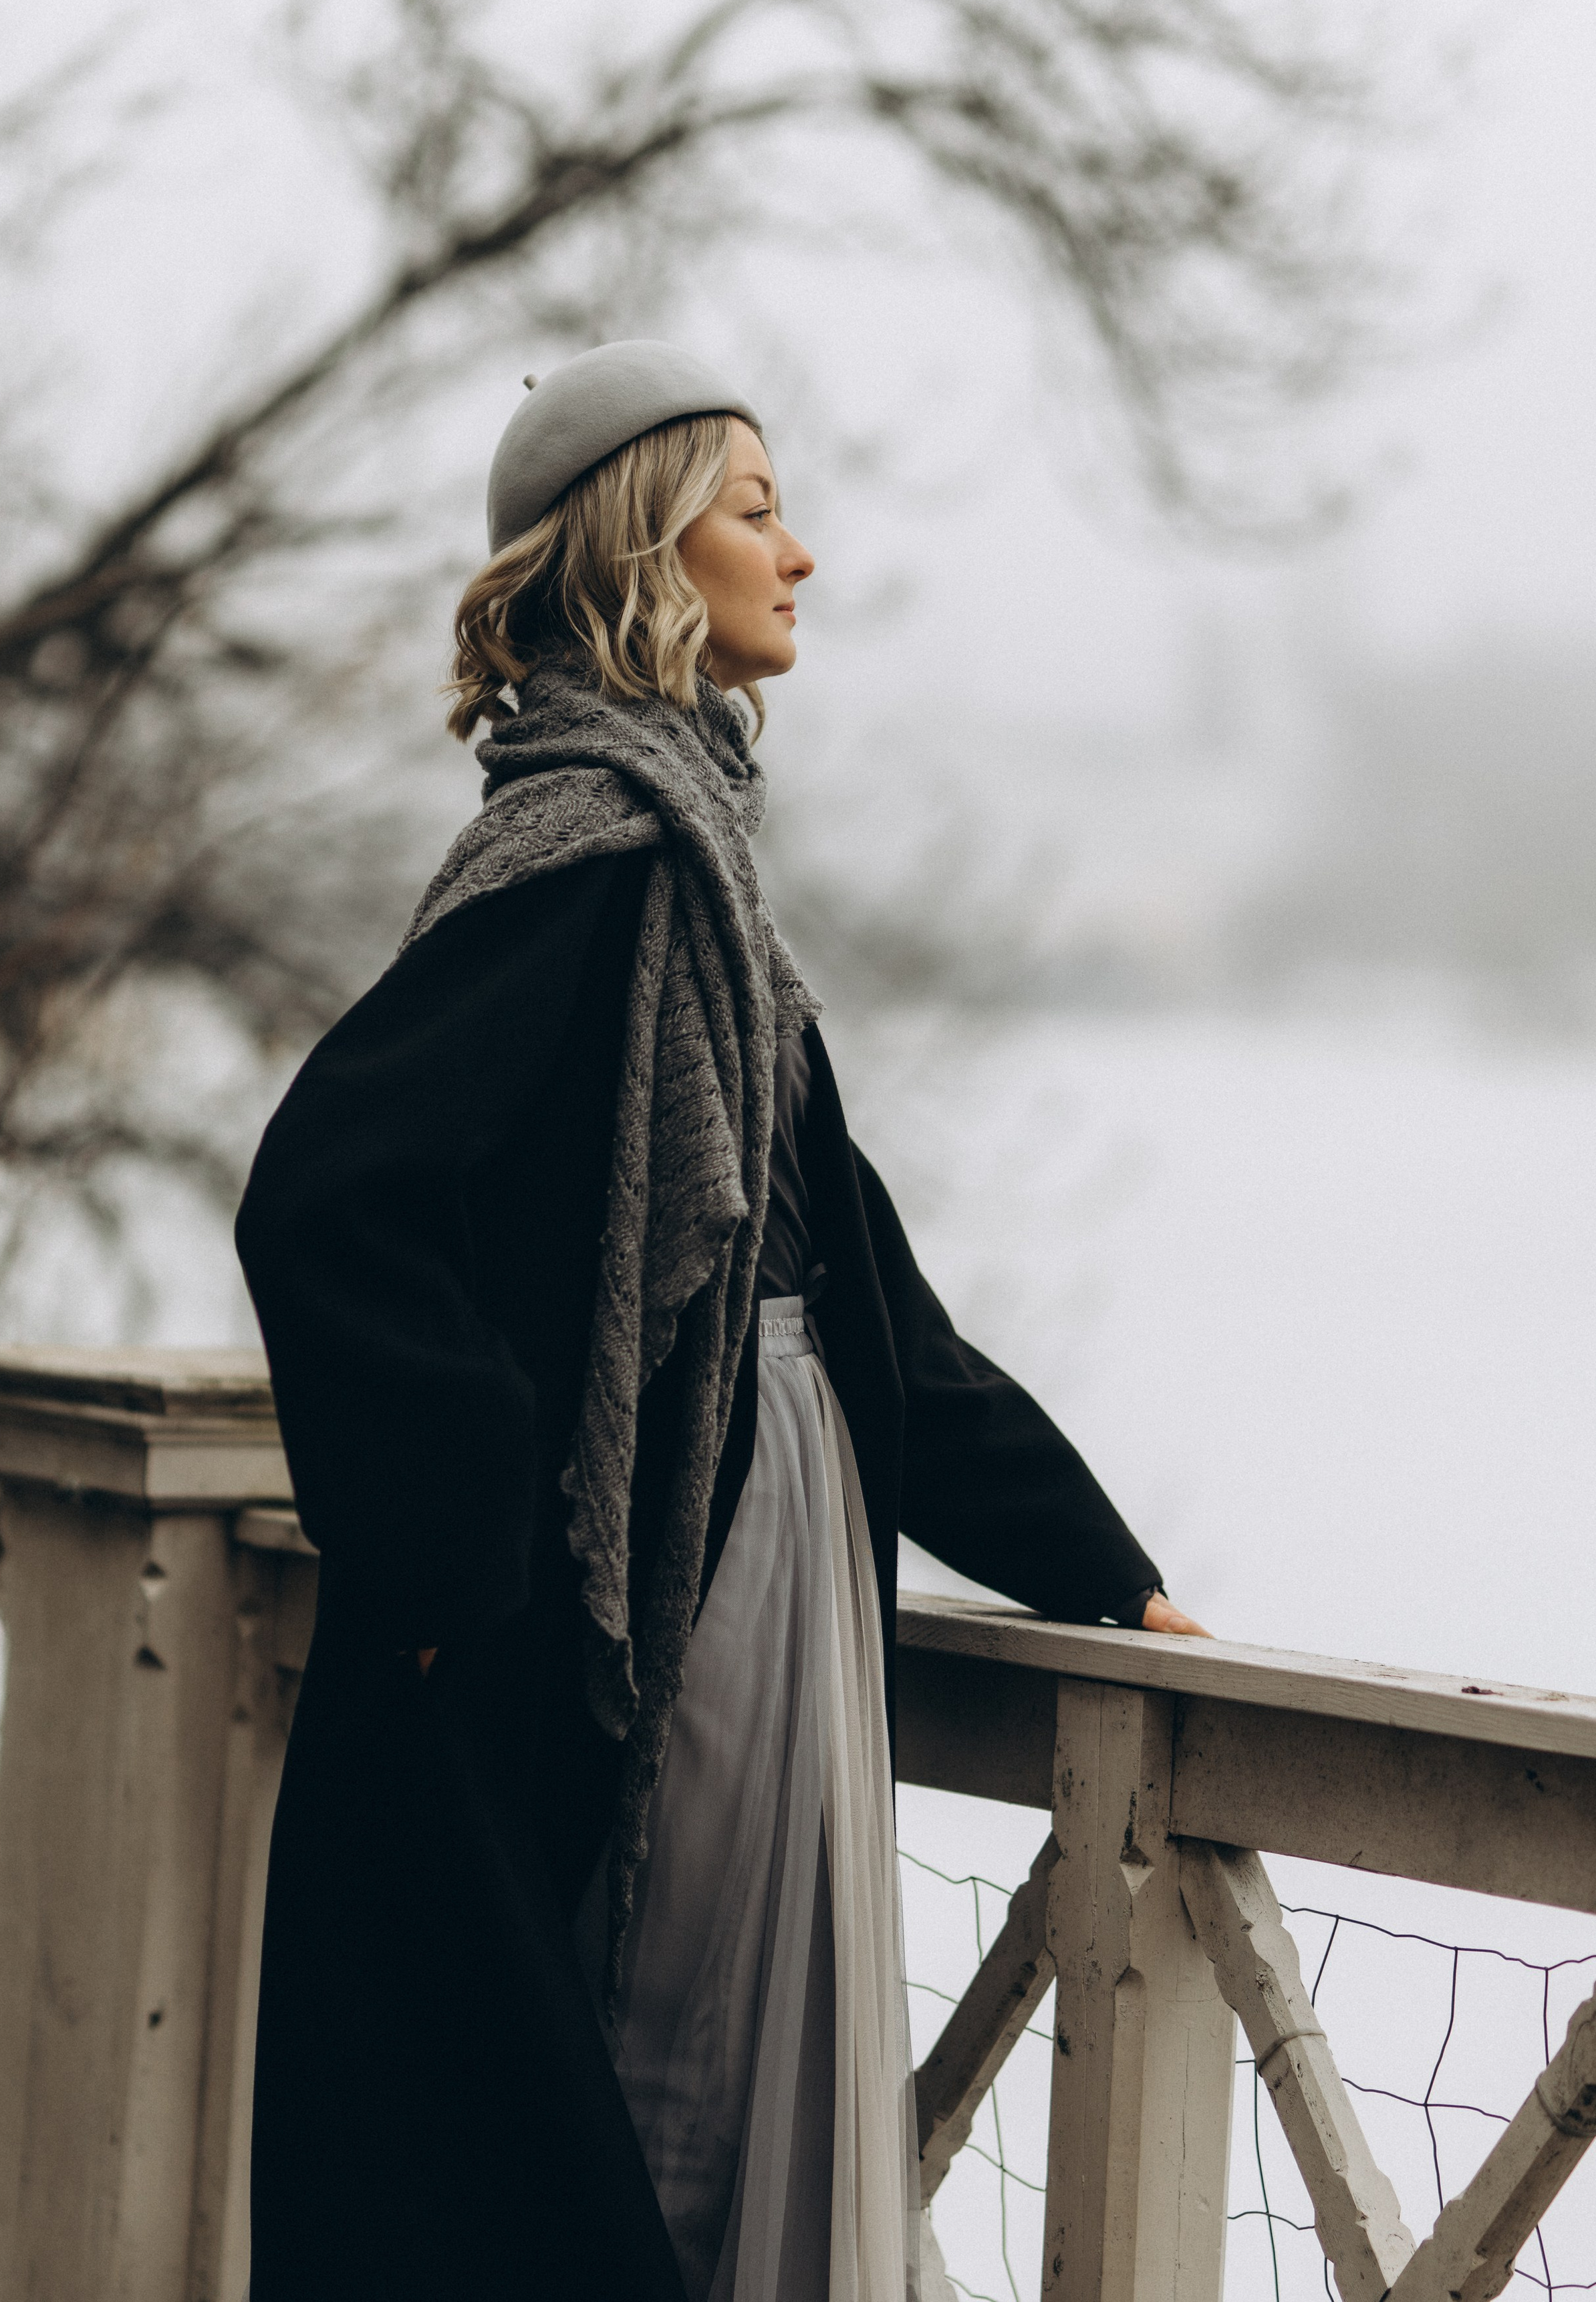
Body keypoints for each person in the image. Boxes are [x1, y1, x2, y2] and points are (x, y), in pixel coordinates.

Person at [235, 342, 1206, 2302]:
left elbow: (860, 1289)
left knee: (665, 2104)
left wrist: (1101, 1568)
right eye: (758, 509)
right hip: (676, 1605)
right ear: (640, 547)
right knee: (647, 2111)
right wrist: (463, 1546)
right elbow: (331, 1200)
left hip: (755, 1582)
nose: (804, 553)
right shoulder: (595, 861)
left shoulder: (692, 879)